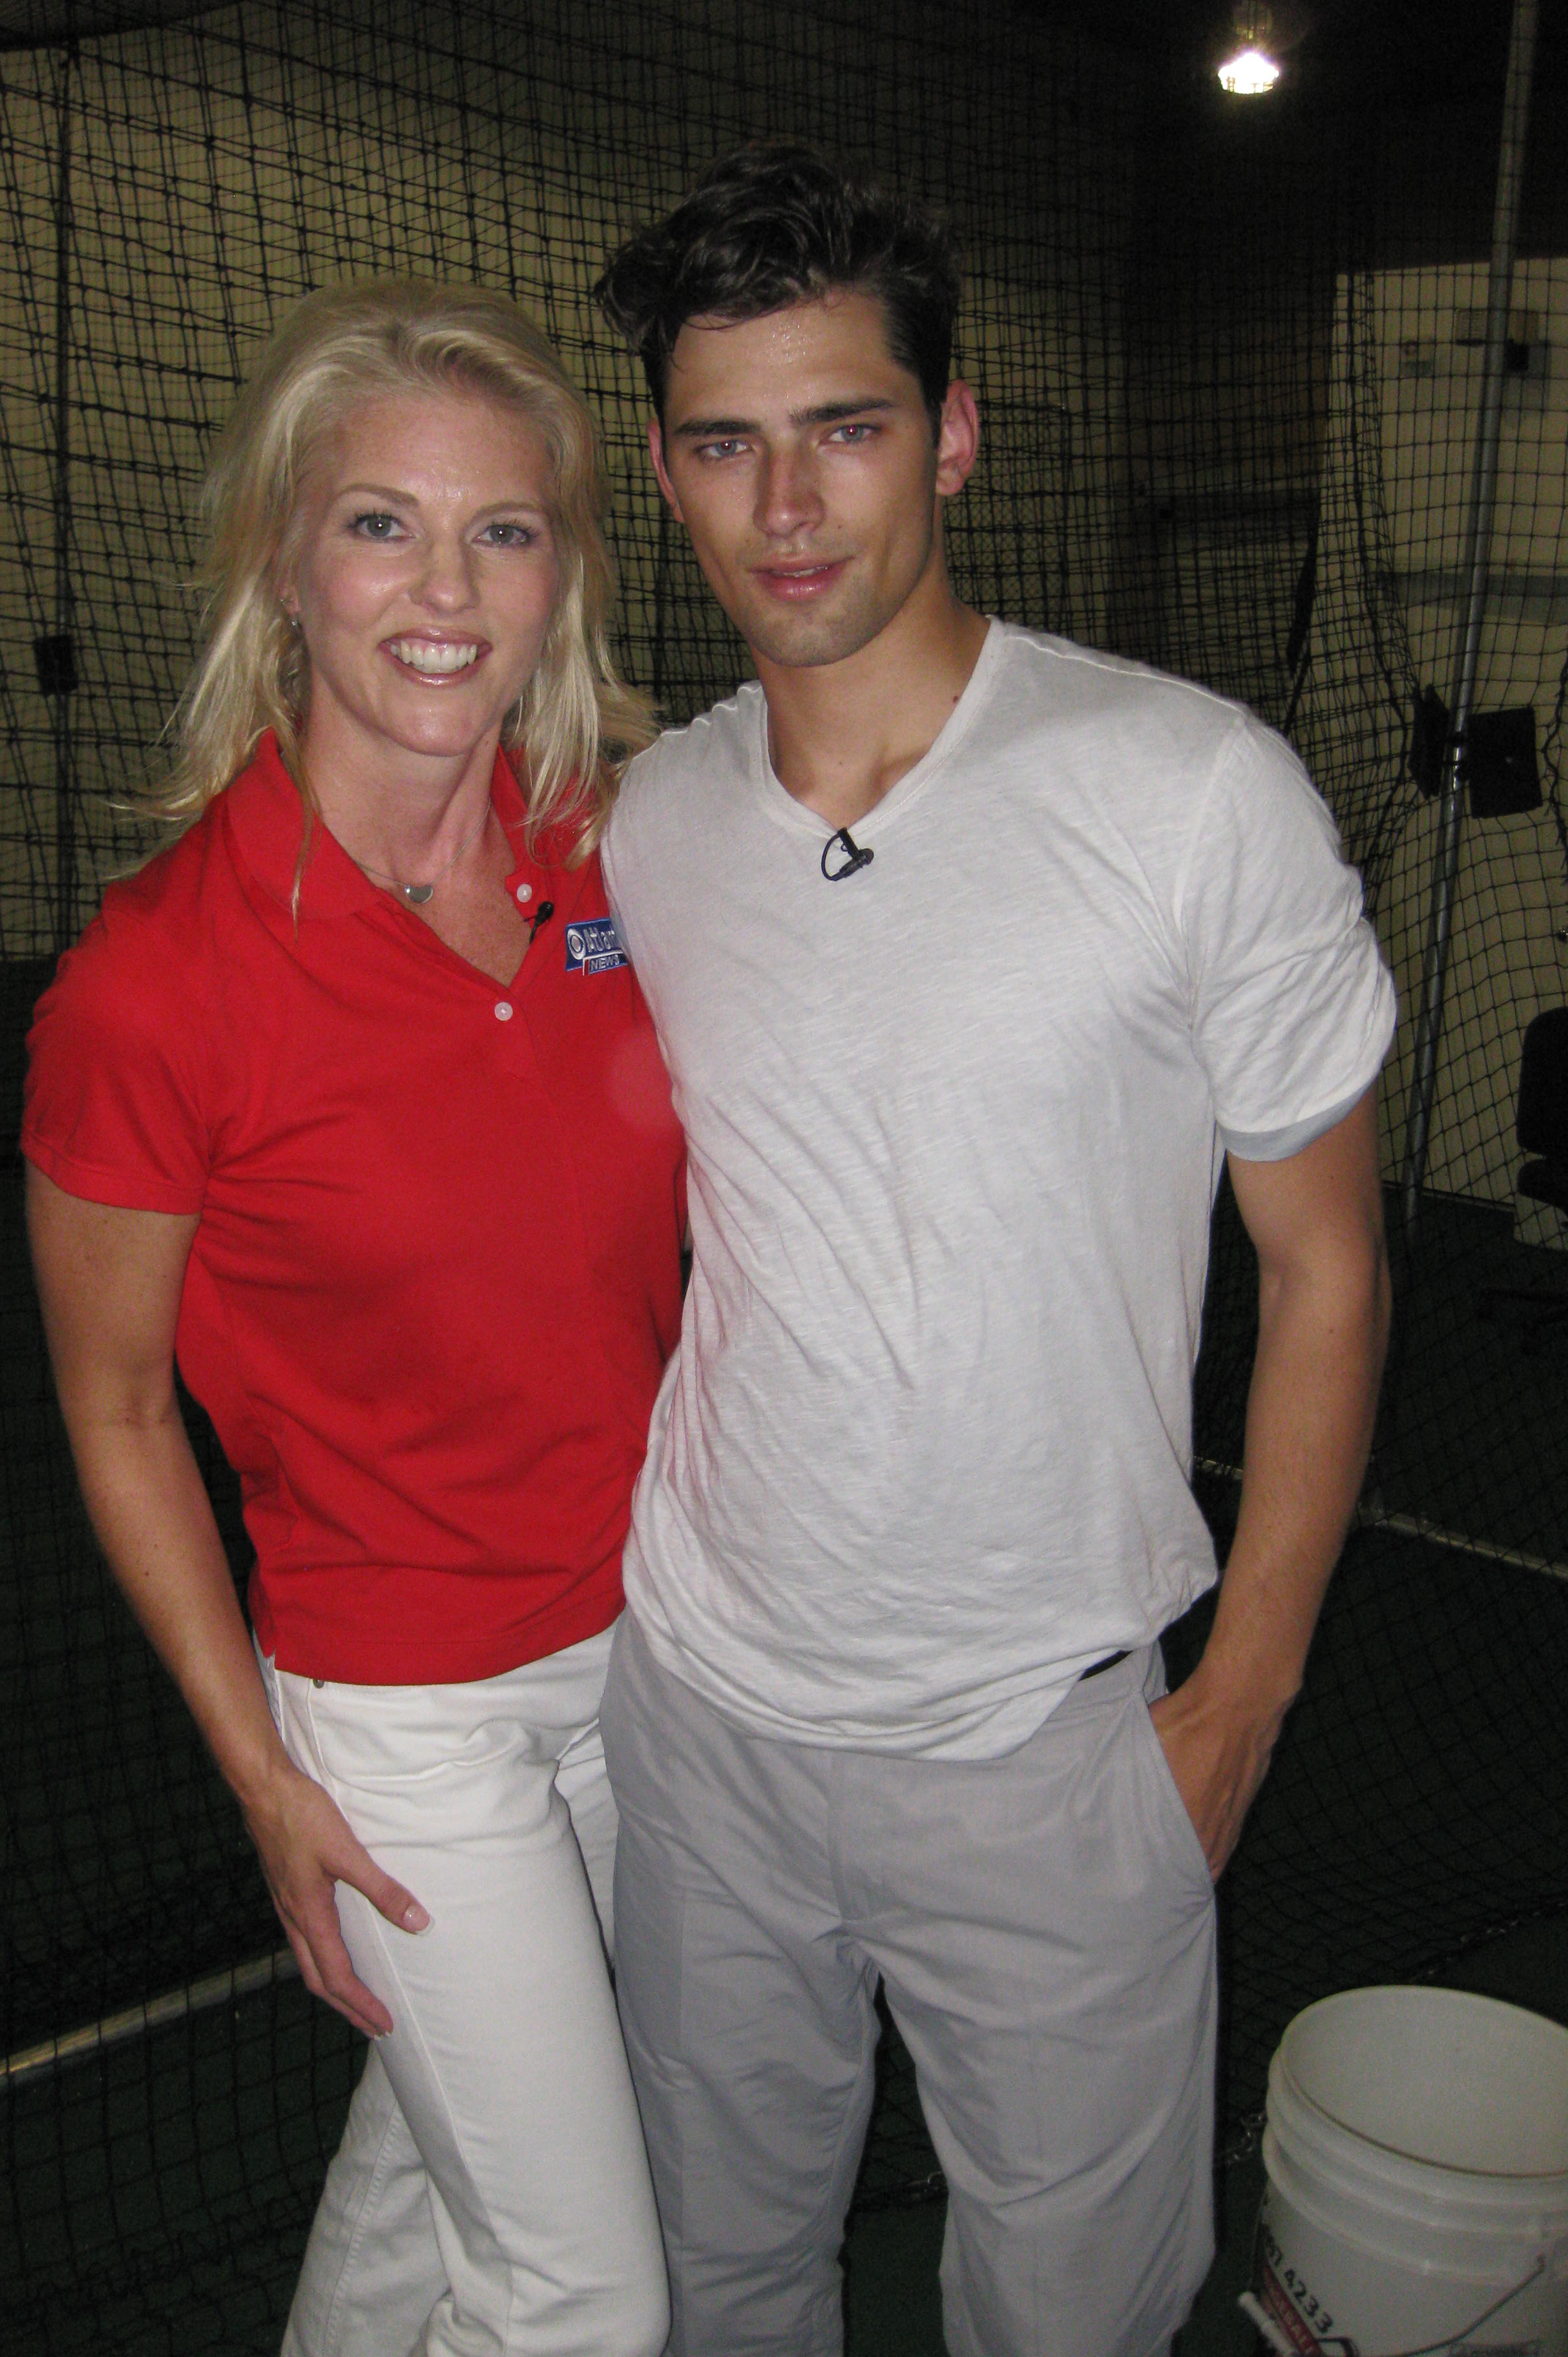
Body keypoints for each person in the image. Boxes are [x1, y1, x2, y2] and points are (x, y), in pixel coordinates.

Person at [591, 146, 1394, 2357]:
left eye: (845, 426)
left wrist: (1239, 1706)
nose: (787, 505)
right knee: (722, 2285)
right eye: (727, 443)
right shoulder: (648, 825)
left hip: (1055, 1760)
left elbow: (1326, 1270)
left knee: (1071, 2322)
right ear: (664, 470)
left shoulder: (1190, 791)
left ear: (951, 432)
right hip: (707, 1729)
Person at [21, 275, 680, 2357]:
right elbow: (122, 1415)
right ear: (284, 562)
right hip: (408, 1717)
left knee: (429, 2163)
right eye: (382, 521)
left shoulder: (619, 858)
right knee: (584, 2293)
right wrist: (260, 1769)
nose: (445, 587)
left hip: (648, 1659)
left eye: (504, 529)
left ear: (562, 572)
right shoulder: (155, 983)